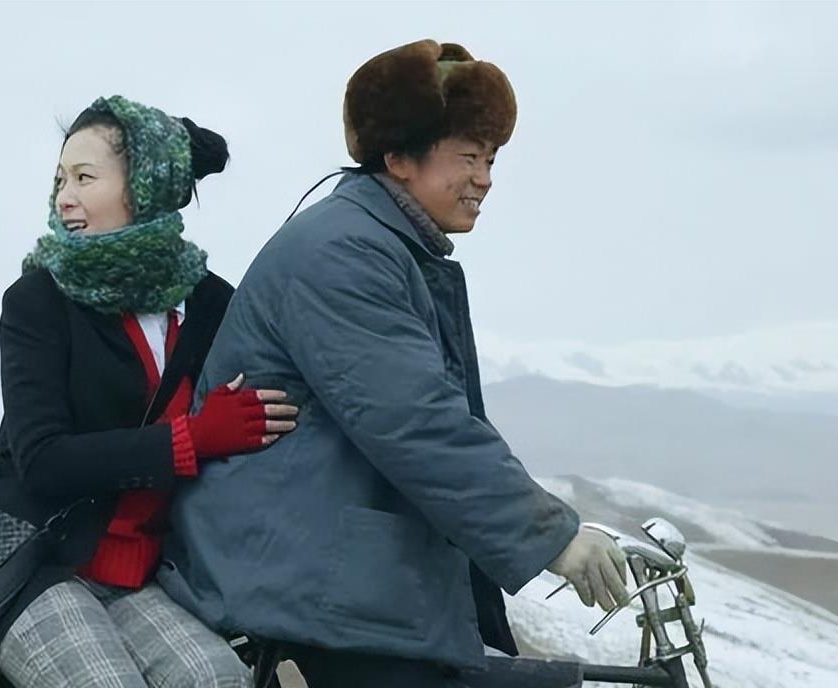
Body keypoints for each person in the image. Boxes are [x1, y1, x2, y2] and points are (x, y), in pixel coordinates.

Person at [157, 41, 631, 686]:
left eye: (491, 159)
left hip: (328, 562)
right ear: (400, 158)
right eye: (467, 157)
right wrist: (552, 538)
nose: (485, 178)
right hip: (295, 575)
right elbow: (414, 420)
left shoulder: (383, 244)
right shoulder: (343, 253)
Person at [0, 95, 297, 688]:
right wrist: (191, 439)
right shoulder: (38, 301)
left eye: (84, 177)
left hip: (142, 573)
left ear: (146, 189)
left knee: (221, 681)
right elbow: (42, 461)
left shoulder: (211, 304)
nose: (64, 197)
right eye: (60, 179)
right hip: (35, 564)